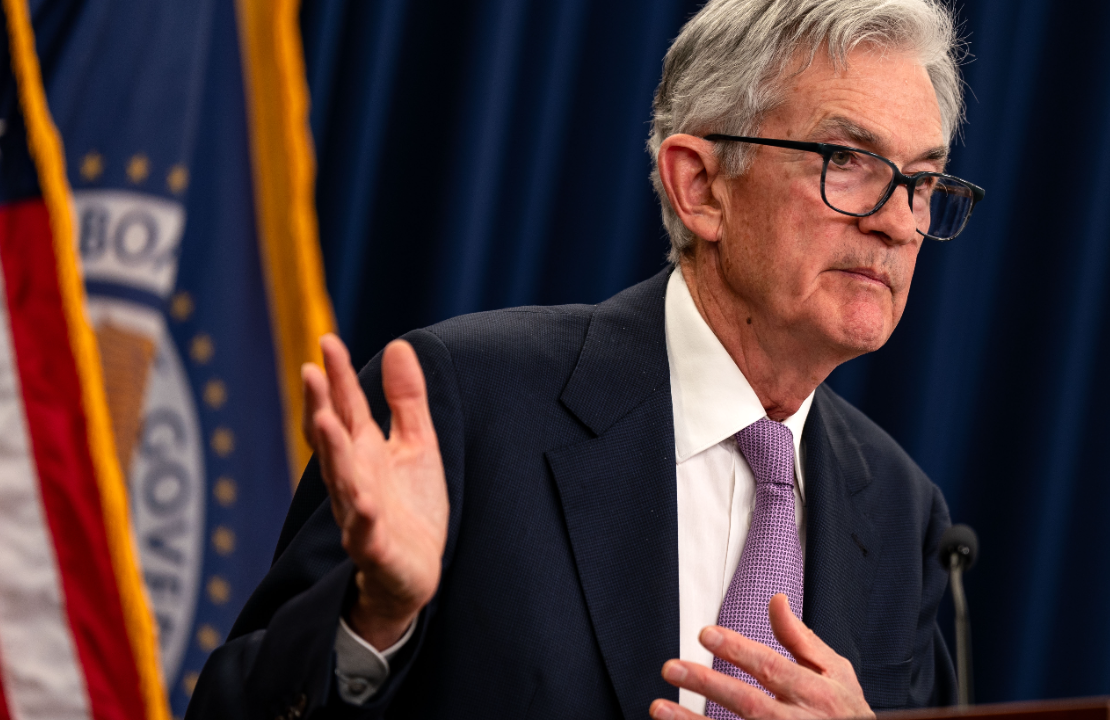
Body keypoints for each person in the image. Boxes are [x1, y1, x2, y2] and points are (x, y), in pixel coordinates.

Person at [189, 0, 984, 717]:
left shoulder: (909, 523)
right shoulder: (466, 405)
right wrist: (376, 619)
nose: (901, 223)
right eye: (847, 160)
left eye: (921, 180)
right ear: (700, 186)